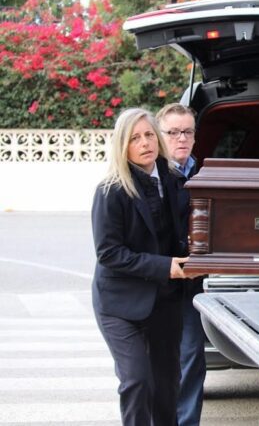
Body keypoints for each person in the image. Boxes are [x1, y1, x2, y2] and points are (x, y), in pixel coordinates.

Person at [91, 107, 190, 426]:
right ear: (123, 146)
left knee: (167, 386)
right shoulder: (110, 190)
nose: (145, 143)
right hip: (120, 303)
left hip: (165, 300)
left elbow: (189, 233)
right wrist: (165, 266)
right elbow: (109, 253)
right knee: (137, 381)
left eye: (149, 135)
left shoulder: (177, 181)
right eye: (135, 138)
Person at [156, 103, 205, 426]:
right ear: (159, 135)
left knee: (191, 356)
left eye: (187, 131)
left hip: (191, 281)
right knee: (157, 362)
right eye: (173, 132)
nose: (181, 138)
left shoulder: (205, 174)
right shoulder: (150, 174)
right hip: (156, 280)